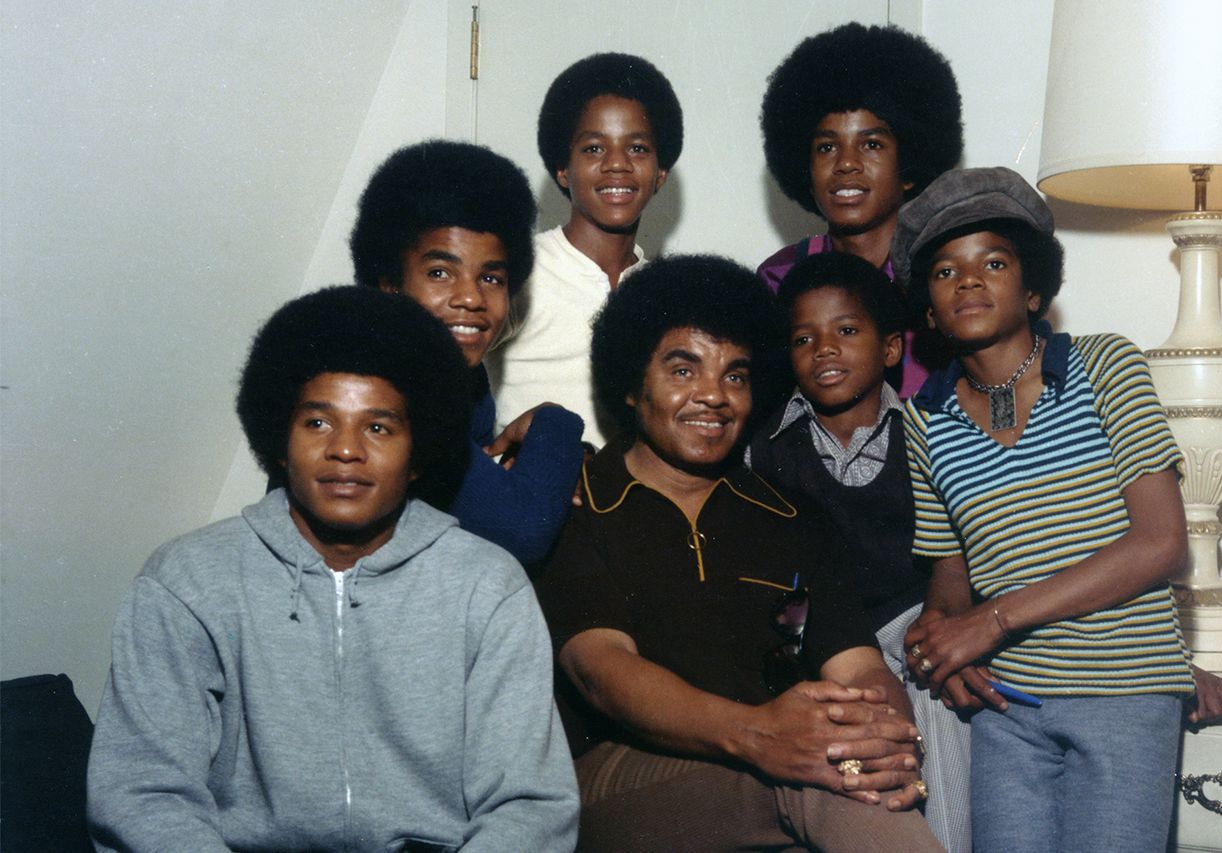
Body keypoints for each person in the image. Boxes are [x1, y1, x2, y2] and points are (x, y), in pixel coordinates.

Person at [87, 286, 579, 852]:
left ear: (418, 454)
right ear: (279, 440)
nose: (345, 450)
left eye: (378, 428)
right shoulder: (188, 581)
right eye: (318, 424)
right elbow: (144, 794)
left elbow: (529, 806)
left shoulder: (486, 587)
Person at [536, 255, 941, 852]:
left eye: (736, 375)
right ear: (630, 384)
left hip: (774, 772)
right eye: (683, 370)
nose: (713, 396)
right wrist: (760, 734)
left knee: (847, 773)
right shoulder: (581, 503)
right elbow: (601, 673)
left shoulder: (788, 518)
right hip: (616, 775)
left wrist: (883, 737)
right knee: (822, 779)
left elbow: (858, 667)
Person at [894, 167, 1194, 852]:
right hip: (1009, 708)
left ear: (1032, 288)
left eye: (993, 262)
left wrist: (991, 619)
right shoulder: (924, 420)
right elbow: (950, 579)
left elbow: (1161, 543)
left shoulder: (1104, 365)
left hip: (1124, 689)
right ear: (928, 312)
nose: (968, 280)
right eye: (944, 271)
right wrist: (943, 643)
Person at [746, 251, 971, 852]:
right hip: (816, 637)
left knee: (939, 696)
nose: (824, 349)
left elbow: (965, 551)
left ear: (892, 349)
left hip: (908, 624)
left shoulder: (929, 435)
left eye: (846, 331)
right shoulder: (762, 447)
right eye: (803, 338)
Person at [351, 140, 583, 566]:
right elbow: (522, 532)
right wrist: (555, 424)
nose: (471, 298)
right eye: (440, 273)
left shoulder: (459, 378)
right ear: (390, 284)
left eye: (491, 278)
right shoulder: (379, 393)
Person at [486, 52, 683, 448]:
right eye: (594, 148)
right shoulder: (523, 269)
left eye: (638, 148)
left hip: (630, 502)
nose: (617, 165)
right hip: (535, 498)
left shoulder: (665, 290)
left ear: (660, 172)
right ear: (563, 169)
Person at [758, 21, 963, 396]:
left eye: (871, 144)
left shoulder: (945, 274)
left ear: (909, 167)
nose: (846, 163)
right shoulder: (780, 277)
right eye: (826, 147)